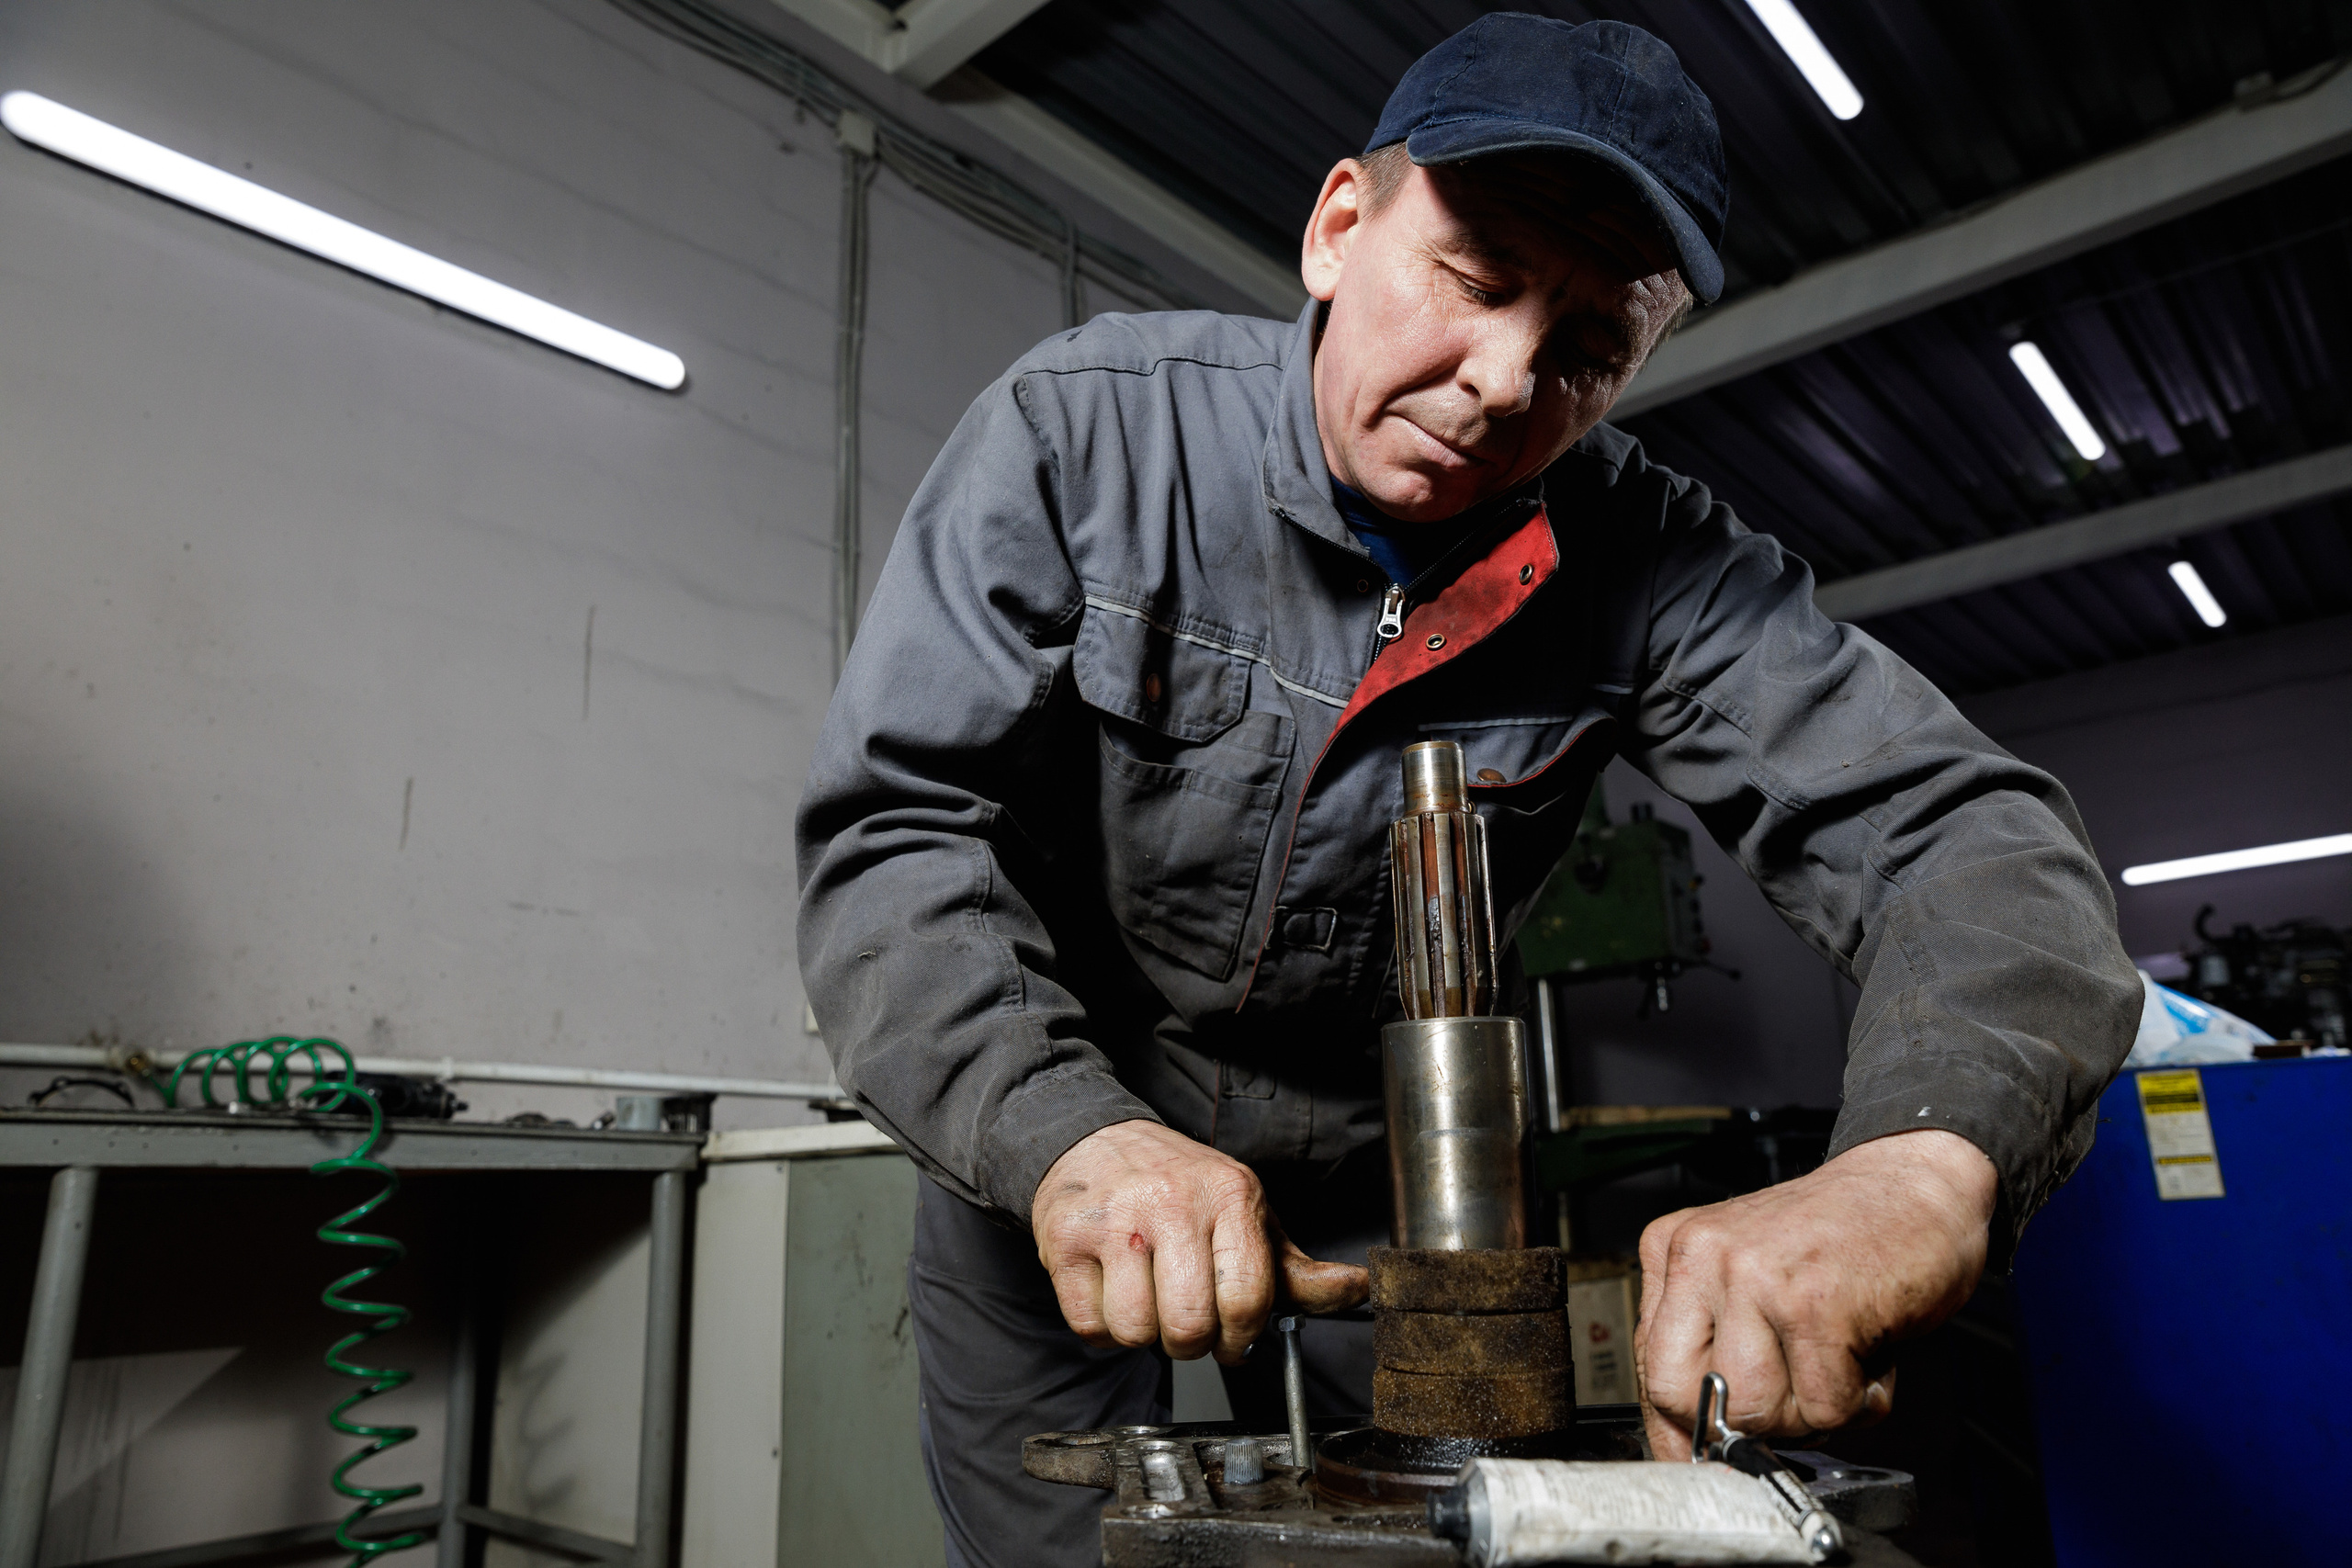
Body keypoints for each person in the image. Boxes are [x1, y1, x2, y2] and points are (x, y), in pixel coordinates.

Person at [795, 14, 2140, 1567]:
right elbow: (897, 835)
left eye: (1584, 350)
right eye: (1479, 278)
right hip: (1063, 1181)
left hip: (1405, 1233)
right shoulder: (1085, 439)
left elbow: (1969, 840)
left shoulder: (1654, 566)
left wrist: (1920, 1160)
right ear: (1340, 226)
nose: (1507, 383)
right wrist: (1062, 1136)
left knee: (1434, 1544)